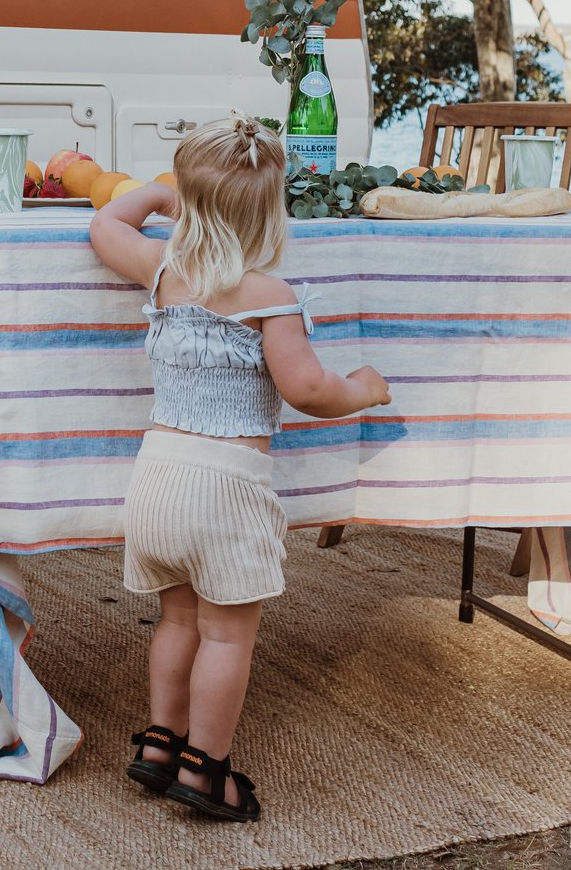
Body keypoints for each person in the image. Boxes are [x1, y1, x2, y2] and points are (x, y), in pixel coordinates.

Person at [88, 116, 391, 823]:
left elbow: (105, 224)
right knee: (226, 635)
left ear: (191, 204)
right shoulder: (269, 296)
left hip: (156, 480)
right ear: (269, 214)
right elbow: (309, 390)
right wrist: (365, 389)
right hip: (225, 490)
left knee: (176, 622)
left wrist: (158, 196)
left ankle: (161, 742)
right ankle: (206, 769)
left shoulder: (164, 271)